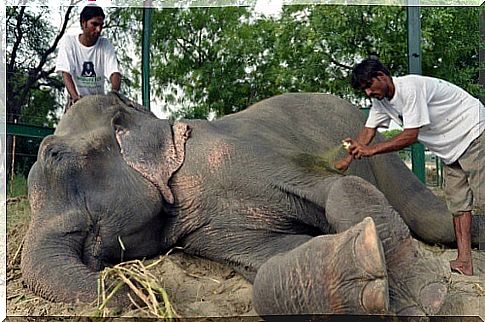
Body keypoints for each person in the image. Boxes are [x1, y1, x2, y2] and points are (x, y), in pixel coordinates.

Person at [335, 58, 484, 276]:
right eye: (363, 90)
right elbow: (368, 132)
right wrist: (348, 160)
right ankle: (464, 262)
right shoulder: (380, 102)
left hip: (473, 132)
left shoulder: (411, 88)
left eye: (369, 86)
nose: (368, 93)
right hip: (450, 148)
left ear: (382, 76)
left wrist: (372, 151)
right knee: (458, 205)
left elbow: (411, 135)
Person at [56, 5, 121, 110]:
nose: (98, 29)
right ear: (83, 23)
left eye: (101, 25)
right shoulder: (69, 42)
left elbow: (114, 73)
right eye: (94, 24)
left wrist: (114, 95)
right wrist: (76, 99)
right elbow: (66, 74)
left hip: (98, 103)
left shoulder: (105, 44)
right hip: (75, 101)